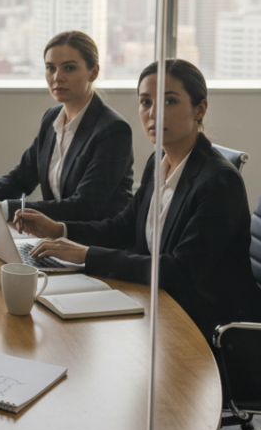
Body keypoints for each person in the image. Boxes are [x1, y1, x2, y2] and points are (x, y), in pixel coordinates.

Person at [19, 59, 261, 349]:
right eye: (146, 102)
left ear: (200, 109)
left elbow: (179, 271)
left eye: (169, 101)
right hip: (160, 304)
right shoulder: (157, 161)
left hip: (208, 329)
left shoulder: (219, 182)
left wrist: (85, 254)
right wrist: (60, 230)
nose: (154, 113)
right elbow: (123, 227)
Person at [0, 30, 133, 222]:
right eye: (50, 68)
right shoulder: (52, 119)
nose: (57, 77)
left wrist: (3, 209)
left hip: (96, 246)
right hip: (55, 239)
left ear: (94, 72)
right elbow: (20, 179)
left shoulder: (113, 131)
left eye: (69, 68)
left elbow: (84, 206)